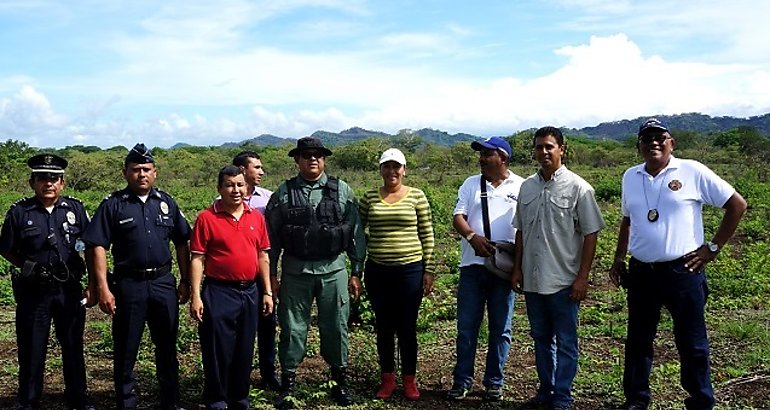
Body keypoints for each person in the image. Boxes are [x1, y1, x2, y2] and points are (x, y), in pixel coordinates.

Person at [608, 118, 747, 410]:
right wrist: (619, 258)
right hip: (642, 271)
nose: (654, 143)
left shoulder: (692, 170)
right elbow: (627, 219)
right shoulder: (630, 176)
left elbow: (737, 204)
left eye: (661, 137)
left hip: (683, 270)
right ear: (639, 146)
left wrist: (712, 248)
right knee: (638, 341)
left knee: (692, 342)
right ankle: (636, 399)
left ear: (672, 143)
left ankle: (700, 401)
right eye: (647, 139)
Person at [82, 143, 191, 410]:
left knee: (166, 346)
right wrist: (103, 288)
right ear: (125, 173)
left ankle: (171, 401)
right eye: (135, 170)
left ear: (155, 172)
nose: (141, 174)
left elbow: (182, 242)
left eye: (146, 169)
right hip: (129, 285)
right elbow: (97, 246)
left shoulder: (167, 203)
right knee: (126, 348)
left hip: (163, 283)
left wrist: (186, 280)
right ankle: (126, 402)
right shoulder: (113, 205)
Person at [264, 136, 366, 409]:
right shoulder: (283, 193)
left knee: (336, 325)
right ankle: (288, 384)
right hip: (296, 271)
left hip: (333, 270)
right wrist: (271, 275)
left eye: (318, 155)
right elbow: (271, 239)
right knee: (292, 327)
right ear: (296, 159)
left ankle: (339, 381)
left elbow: (356, 232)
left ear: (324, 159)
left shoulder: (342, 190)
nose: (312, 159)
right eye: (306, 155)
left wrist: (356, 270)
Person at [511, 126, 605, 410]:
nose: (544, 152)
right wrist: (517, 269)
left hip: (564, 280)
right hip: (534, 279)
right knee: (540, 338)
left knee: (566, 341)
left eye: (549, 146)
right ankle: (546, 390)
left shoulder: (579, 188)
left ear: (562, 149)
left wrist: (582, 278)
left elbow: (591, 234)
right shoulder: (527, 187)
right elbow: (520, 232)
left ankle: (562, 396)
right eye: (539, 147)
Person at [0, 154, 95, 410]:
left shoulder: (75, 209)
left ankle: (78, 397)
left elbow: (89, 246)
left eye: (54, 179)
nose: (48, 184)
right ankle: (29, 400)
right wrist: (28, 266)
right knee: (32, 348)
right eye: (42, 178)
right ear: (32, 182)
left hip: (69, 289)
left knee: (73, 346)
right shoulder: (20, 212)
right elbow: (6, 248)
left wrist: (94, 283)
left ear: (62, 183)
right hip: (34, 292)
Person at [189, 165, 274, 410]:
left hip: (249, 291)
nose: (235, 190)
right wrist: (196, 295)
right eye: (229, 185)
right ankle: (216, 397)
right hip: (218, 290)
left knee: (244, 347)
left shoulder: (255, 217)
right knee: (217, 348)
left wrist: (266, 291)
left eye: (239, 185)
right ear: (219, 188)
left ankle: (239, 397)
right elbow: (198, 258)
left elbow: (263, 256)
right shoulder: (207, 218)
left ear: (246, 187)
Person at [448, 137, 525, 402]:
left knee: (500, 329)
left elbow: (525, 229)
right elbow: (458, 216)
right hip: (472, 266)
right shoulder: (471, 184)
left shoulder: (522, 186)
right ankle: (462, 381)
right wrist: (472, 237)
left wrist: (520, 266)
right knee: (467, 327)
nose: (481, 158)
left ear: (502, 158)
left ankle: (494, 382)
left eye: (487, 154)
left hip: (503, 269)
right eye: (480, 154)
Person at [358, 148, 435, 401]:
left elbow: (427, 234)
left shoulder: (417, 196)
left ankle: (409, 380)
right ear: (380, 170)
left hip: (410, 269)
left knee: (407, 327)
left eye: (396, 166)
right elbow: (359, 234)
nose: (391, 171)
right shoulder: (369, 197)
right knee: (383, 327)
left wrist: (429, 269)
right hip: (378, 270)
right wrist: (356, 268)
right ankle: (387, 379)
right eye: (386, 166)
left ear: (404, 169)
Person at [232, 151, 280, 390]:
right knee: (241, 327)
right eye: (257, 167)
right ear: (243, 170)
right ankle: (239, 375)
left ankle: (268, 373)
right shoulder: (224, 201)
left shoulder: (269, 199)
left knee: (268, 323)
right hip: (236, 276)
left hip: (263, 272)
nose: (262, 172)